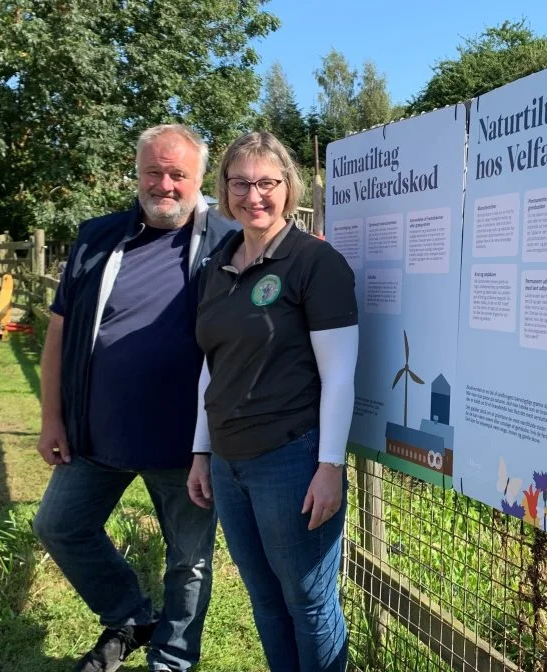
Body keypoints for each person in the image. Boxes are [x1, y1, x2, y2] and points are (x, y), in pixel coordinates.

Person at [33, 123, 237, 672]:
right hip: (95, 433)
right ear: (138, 172)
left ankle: (170, 661)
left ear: (199, 180)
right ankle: (129, 616)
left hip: (186, 444)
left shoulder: (228, 240)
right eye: (154, 171)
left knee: (189, 561)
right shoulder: (97, 237)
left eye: (178, 174)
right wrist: (52, 417)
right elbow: (59, 331)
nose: (164, 184)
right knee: (59, 525)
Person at [187, 131, 358, 672]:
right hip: (230, 464)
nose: (253, 195)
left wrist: (329, 466)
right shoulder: (217, 263)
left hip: (290, 460)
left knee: (308, 603)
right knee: (265, 600)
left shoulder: (316, 263)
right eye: (240, 183)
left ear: (289, 187)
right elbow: (210, 365)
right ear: (224, 189)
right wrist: (201, 451)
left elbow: (340, 373)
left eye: (267, 182)